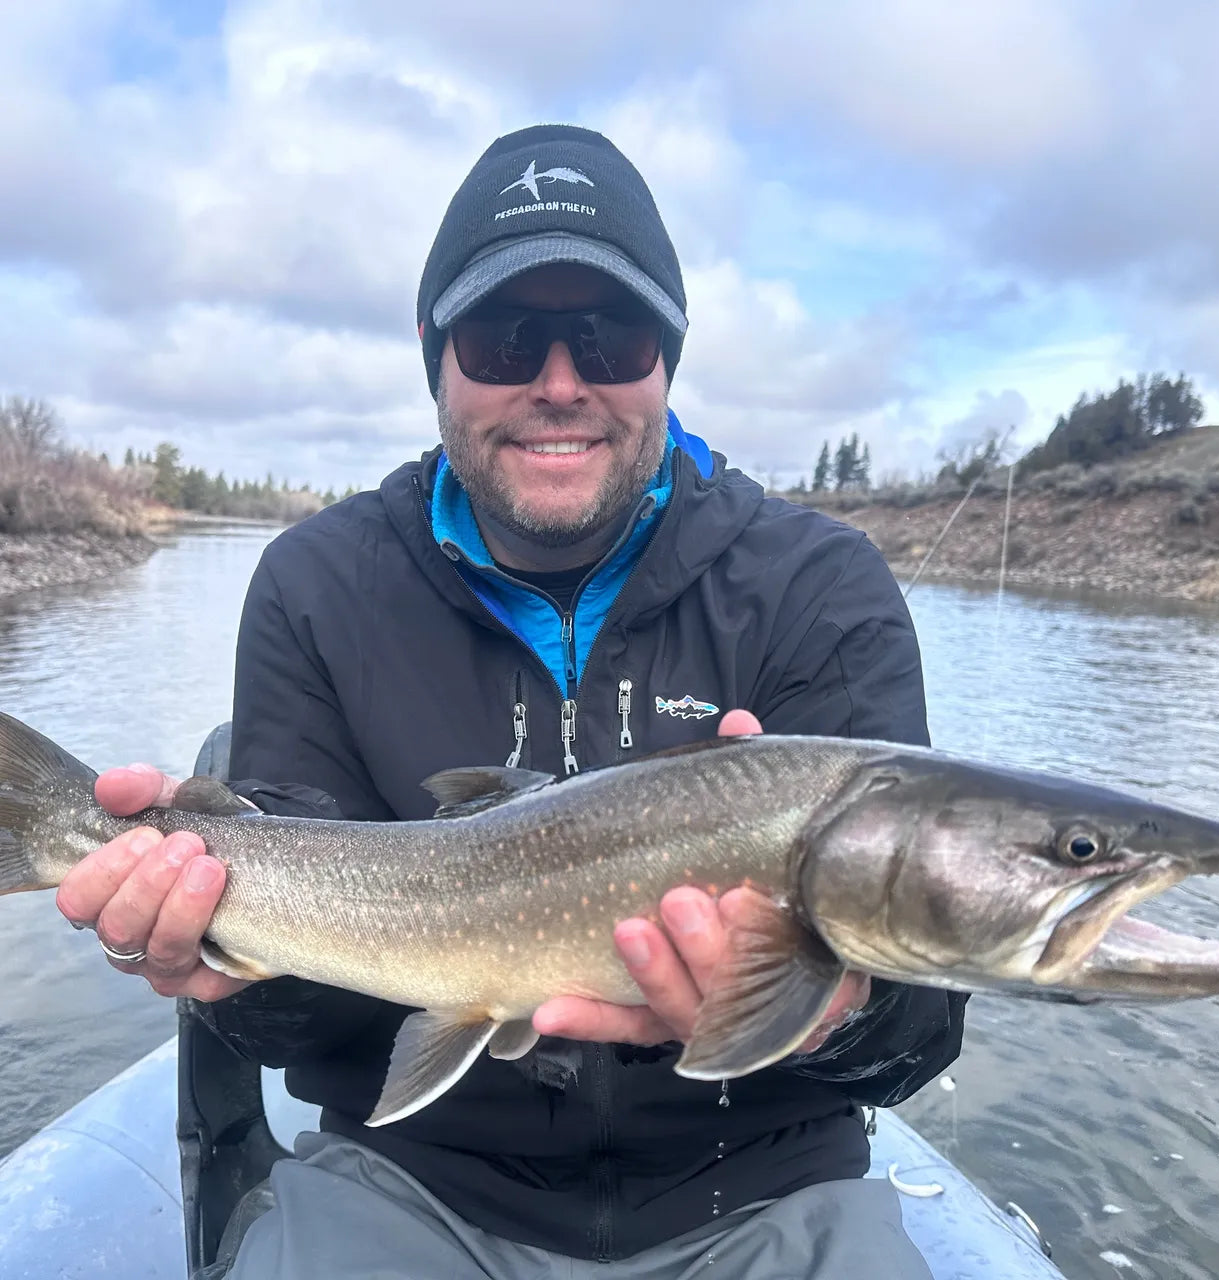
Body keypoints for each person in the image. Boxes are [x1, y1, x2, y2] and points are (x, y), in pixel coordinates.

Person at [55, 124, 964, 1278]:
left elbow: (918, 1033)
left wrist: (830, 1006)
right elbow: (312, 1031)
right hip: (412, 1176)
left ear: (665, 358)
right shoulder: (316, 584)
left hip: (765, 1183)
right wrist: (227, 972)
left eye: (607, 332)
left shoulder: (818, 587)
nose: (558, 381)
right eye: (503, 337)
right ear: (435, 357)